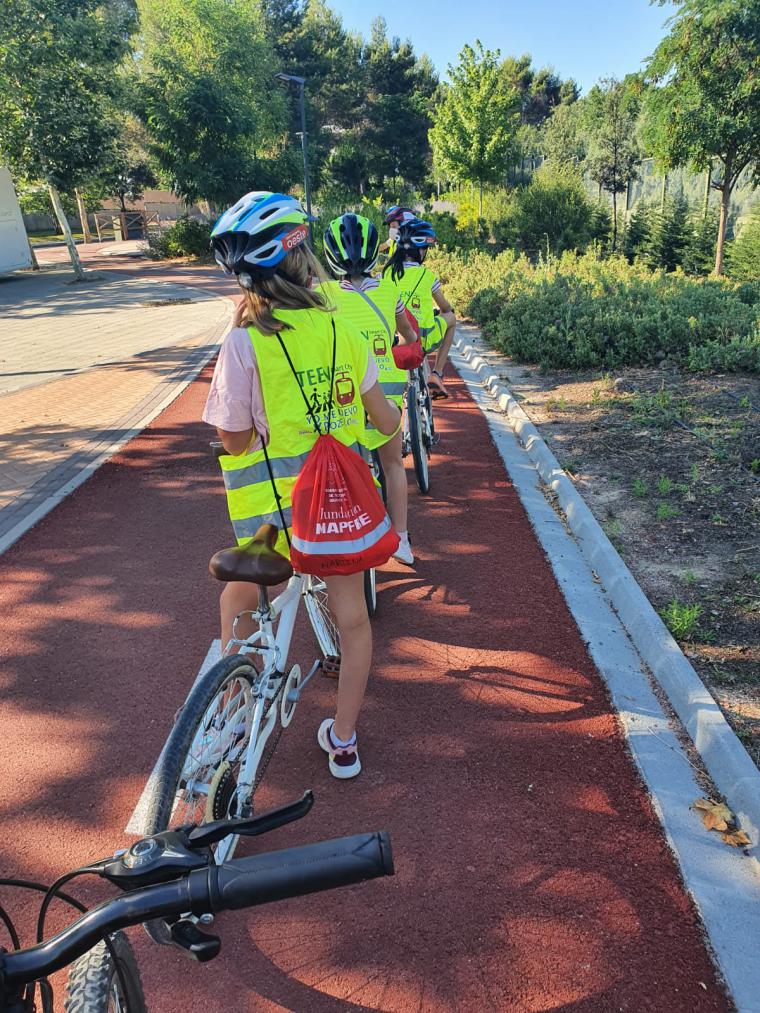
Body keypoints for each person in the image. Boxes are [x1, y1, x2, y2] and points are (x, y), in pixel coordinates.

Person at [203, 191, 401, 779]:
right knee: (354, 623)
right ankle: (343, 740)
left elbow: (234, 439)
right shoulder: (343, 331)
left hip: (271, 520)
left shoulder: (244, 343)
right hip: (335, 514)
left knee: (239, 603)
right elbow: (386, 421)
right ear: (300, 256)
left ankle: (234, 717)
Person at [321, 212, 419, 566]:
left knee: (353, 472)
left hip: (344, 396)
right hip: (387, 395)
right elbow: (409, 335)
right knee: (393, 465)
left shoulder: (323, 296)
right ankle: (402, 540)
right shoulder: (390, 291)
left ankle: (355, 534)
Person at [383, 217, 457, 399]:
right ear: (421, 252)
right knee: (451, 319)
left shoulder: (387, 273)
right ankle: (437, 373)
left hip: (395, 340)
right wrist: (447, 310)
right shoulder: (427, 275)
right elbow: (444, 306)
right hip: (423, 339)